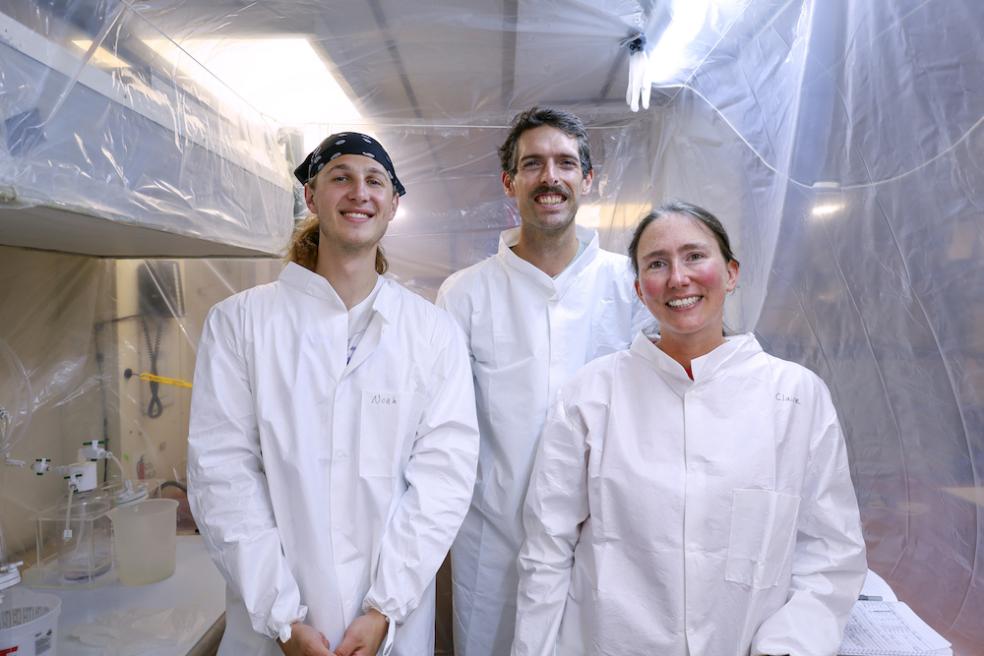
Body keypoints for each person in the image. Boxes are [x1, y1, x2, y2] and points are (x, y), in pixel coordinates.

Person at [512, 200, 867, 656]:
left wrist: (787, 647)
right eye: (657, 264)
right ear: (640, 290)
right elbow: (546, 550)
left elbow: (830, 553)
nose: (678, 278)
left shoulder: (796, 397)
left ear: (732, 273)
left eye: (695, 256)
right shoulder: (591, 395)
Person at [187, 132, 480, 656]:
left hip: (391, 628)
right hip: (269, 630)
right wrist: (283, 620)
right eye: (340, 177)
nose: (358, 192)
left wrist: (384, 609)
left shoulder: (433, 334)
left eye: (375, 181)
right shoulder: (241, 323)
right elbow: (222, 476)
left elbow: (443, 480)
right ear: (311, 197)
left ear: (393, 205)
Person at [437, 107, 657, 656]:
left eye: (565, 163)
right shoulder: (463, 295)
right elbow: (441, 432)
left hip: (607, 543)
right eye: (531, 165)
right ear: (509, 182)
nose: (549, 177)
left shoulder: (631, 287)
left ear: (588, 179)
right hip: (495, 548)